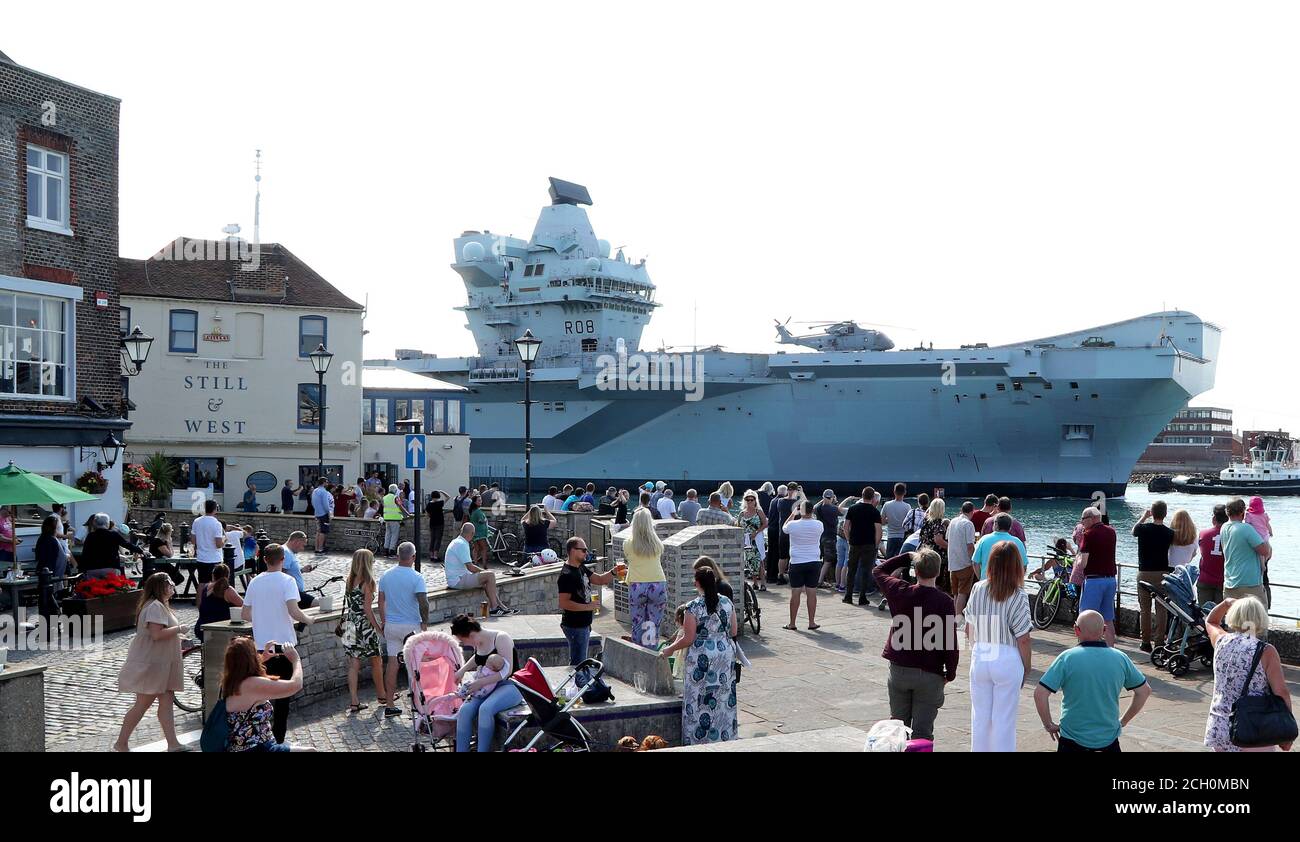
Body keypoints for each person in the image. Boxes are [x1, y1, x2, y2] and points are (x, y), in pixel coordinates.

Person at [1034, 610, 1151, 752]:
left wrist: (1048, 724)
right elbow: (1144, 691)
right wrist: (1123, 721)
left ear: (1076, 630)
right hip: (1108, 738)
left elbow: (1040, 694)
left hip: (1072, 738)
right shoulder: (1120, 658)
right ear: (1104, 630)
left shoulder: (1067, 658)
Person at [874, 548, 959, 742]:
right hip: (930, 672)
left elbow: (878, 571)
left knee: (898, 727)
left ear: (916, 571)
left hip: (900, 668)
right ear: (938, 572)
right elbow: (950, 643)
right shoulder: (945, 601)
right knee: (922, 732)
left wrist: (906, 556)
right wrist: (951, 673)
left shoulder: (899, 590)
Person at [241, 543, 315, 743]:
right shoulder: (287, 580)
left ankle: (256, 737)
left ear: (264, 560)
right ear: (283, 559)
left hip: (261, 648)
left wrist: (263, 617)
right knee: (282, 698)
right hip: (283, 647)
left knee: (259, 696)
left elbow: (245, 613)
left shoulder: (255, 581)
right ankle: (278, 741)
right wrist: (308, 619)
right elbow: (293, 610)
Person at [965, 541, 1033, 752]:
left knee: (980, 717)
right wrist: (1027, 666)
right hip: (1007, 656)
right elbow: (1023, 637)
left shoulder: (978, 588)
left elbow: (969, 627)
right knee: (1004, 721)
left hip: (981, 652)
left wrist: (976, 649)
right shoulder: (1018, 594)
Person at [1204, 596, 1294, 752]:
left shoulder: (1220, 641)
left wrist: (1226, 603)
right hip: (1254, 727)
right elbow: (1281, 692)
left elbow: (1211, 621)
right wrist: (1287, 732)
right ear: (1260, 619)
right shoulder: (1266, 651)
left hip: (1219, 725)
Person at [659, 567, 738, 745]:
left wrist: (670, 649)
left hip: (701, 656)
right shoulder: (726, 602)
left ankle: (698, 740)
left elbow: (688, 638)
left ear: (697, 583)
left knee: (698, 698)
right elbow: (733, 630)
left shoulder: (692, 607)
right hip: (725, 653)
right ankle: (724, 738)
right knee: (723, 697)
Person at [113, 573, 189, 752]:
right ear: (160, 587)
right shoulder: (155, 606)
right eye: (169, 583)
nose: (172, 586)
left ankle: (173, 744)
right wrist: (179, 628)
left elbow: (161, 632)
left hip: (161, 662)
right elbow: (156, 635)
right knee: (142, 704)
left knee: (165, 702)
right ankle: (121, 743)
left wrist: (178, 636)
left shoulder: (160, 606)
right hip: (154, 663)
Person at [220, 638, 314, 752]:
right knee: (311, 750)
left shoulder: (230, 681)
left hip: (239, 747)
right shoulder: (253, 684)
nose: (257, 654)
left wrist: (263, 657)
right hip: (258, 748)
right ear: (251, 658)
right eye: (255, 653)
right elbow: (296, 685)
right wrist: (296, 660)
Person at [450, 614, 524, 752]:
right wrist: (462, 670)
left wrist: (480, 682)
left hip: (510, 686)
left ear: (471, 634)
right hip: (487, 688)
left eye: (463, 640)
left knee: (485, 709)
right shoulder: (478, 642)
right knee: (464, 711)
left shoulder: (501, 638)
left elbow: (507, 671)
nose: (464, 644)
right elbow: (478, 657)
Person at [378, 542, 428, 716]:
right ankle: (420, 704)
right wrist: (425, 623)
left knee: (392, 664)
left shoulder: (385, 576)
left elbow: (380, 602)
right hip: (411, 626)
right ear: (413, 557)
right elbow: (424, 602)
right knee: (416, 665)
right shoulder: (417, 577)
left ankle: (389, 704)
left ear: (398, 556)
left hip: (391, 625)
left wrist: (384, 622)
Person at [557, 535, 622, 665]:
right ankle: (577, 685)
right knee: (578, 664)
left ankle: (579, 684)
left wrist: (614, 572)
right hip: (575, 625)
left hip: (583, 624)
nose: (586, 553)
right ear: (573, 550)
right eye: (584, 550)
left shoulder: (580, 567)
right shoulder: (567, 575)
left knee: (580, 661)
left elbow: (599, 580)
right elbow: (563, 603)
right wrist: (588, 607)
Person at [342, 549, 386, 713]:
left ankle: (354, 701)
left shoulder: (349, 579)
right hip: (364, 626)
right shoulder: (368, 581)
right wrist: (378, 628)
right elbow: (367, 609)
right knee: (376, 660)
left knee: (353, 663)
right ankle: (382, 695)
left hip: (349, 624)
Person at [1132, 501, 1175, 653]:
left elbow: (1134, 530)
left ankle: (1145, 642)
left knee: (1145, 609)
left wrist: (1144, 517)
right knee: (1161, 608)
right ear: (1165, 514)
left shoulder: (1143, 528)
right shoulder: (1169, 533)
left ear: (1152, 512)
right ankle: (1159, 642)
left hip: (1144, 572)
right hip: (1162, 573)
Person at [446, 522, 514, 615]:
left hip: (457, 578)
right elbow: (470, 567)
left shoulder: (456, 541)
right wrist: (484, 571)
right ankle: (494, 608)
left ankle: (502, 606)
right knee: (490, 575)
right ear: (472, 533)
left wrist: (483, 573)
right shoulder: (462, 544)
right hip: (458, 580)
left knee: (487, 580)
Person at [623, 508, 668, 648]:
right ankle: (651, 653)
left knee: (638, 623)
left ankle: (638, 653)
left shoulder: (628, 543)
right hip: (658, 583)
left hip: (637, 584)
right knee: (652, 624)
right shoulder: (657, 543)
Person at [1074, 506, 1118, 646]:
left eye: (1083, 519)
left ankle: (1084, 647)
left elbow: (1083, 564)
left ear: (1092, 518)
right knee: (1108, 619)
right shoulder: (1112, 532)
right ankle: (1111, 649)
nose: (1082, 523)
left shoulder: (1089, 534)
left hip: (1094, 580)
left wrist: (1078, 558)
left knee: (1085, 617)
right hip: (1110, 580)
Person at [782, 500, 824, 631]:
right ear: (812, 511)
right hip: (814, 561)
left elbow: (784, 528)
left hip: (797, 562)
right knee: (812, 593)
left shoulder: (793, 525)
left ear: (801, 510)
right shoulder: (819, 524)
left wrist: (793, 514)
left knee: (796, 593)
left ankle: (792, 623)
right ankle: (811, 622)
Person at [1221, 498, 1271, 603]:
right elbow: (1265, 551)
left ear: (1227, 512)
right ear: (1242, 512)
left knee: (1234, 618)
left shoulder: (1224, 527)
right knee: (1258, 618)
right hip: (1249, 584)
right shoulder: (1246, 529)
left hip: (1230, 582)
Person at [842, 486, 881, 606]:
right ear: (873, 497)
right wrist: (876, 545)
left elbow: (845, 526)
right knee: (866, 571)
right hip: (869, 544)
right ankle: (862, 597)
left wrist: (849, 539)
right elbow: (879, 531)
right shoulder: (875, 511)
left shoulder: (852, 508)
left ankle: (848, 596)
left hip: (854, 543)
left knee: (851, 570)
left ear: (862, 495)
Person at [80, 512, 145, 576]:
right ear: (107, 524)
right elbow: (126, 544)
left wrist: (82, 568)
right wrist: (141, 551)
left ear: (95, 523)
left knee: (93, 585)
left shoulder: (90, 536)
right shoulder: (113, 534)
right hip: (111, 568)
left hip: (93, 569)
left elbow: (85, 552)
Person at [946, 501, 979, 617]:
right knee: (963, 593)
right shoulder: (968, 524)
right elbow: (970, 545)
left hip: (952, 562)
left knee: (955, 593)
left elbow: (948, 539)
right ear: (972, 511)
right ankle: (958, 616)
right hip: (964, 563)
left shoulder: (952, 522)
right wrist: (973, 560)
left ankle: (954, 614)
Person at [194, 563, 242, 641]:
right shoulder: (228, 590)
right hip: (219, 629)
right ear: (228, 576)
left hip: (201, 627)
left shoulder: (206, 587)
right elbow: (243, 605)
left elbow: (200, 606)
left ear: (213, 575)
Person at [971, 513, 1027, 578]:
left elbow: (975, 563)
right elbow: (1024, 566)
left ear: (995, 525)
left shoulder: (984, 540)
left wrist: (981, 578)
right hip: (1010, 584)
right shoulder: (1017, 542)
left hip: (987, 583)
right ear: (1010, 527)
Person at [1196, 505, 1229, 605]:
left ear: (1214, 518)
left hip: (1205, 579)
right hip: (1223, 580)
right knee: (1221, 616)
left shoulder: (1203, 533)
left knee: (1204, 614)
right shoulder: (1231, 536)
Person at [737, 490, 769, 592]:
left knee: (760, 561)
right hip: (747, 540)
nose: (750, 501)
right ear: (745, 500)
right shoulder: (742, 513)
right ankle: (755, 582)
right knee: (750, 561)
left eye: (752, 499)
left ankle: (763, 583)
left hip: (757, 539)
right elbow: (738, 527)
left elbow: (765, 524)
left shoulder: (758, 511)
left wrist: (756, 532)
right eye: (747, 499)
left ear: (755, 500)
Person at [918, 498, 950, 592]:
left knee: (923, 580)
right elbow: (938, 540)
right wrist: (950, 546)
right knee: (935, 582)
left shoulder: (926, 520)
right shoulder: (938, 523)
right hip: (935, 555)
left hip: (924, 552)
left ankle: (921, 604)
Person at [191, 499, 225, 587]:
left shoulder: (196, 521)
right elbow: (218, 545)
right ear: (215, 509)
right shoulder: (217, 524)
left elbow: (193, 541)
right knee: (216, 585)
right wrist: (224, 539)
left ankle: (199, 601)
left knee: (202, 585)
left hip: (201, 558)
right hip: (214, 558)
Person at [281, 531, 318, 608]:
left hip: (295, 592)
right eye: (303, 545)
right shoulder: (286, 552)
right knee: (318, 604)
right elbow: (281, 573)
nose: (303, 549)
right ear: (297, 542)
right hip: (292, 593)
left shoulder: (289, 552)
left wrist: (302, 570)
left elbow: (288, 571)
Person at [814, 490, 841, 589]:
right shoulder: (833, 509)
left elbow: (813, 508)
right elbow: (841, 512)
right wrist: (835, 502)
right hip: (830, 536)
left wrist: (822, 500)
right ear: (832, 497)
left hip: (820, 536)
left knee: (820, 558)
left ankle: (817, 578)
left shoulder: (818, 508)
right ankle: (820, 581)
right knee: (828, 560)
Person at [881, 483, 911, 559]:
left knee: (889, 561)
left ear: (894, 492)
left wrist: (889, 520)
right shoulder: (907, 507)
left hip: (891, 536)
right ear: (905, 492)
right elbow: (908, 524)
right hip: (902, 536)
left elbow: (882, 522)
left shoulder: (887, 505)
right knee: (899, 561)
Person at [764, 484, 786, 584]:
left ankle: (769, 575)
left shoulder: (772, 500)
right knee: (778, 553)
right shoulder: (782, 502)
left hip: (770, 529)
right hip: (778, 530)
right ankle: (775, 575)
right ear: (785, 492)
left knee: (771, 552)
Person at [379, 483, 404, 558]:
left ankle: (386, 550)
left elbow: (383, 507)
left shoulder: (384, 497)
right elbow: (400, 506)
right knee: (394, 535)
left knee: (388, 534)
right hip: (395, 518)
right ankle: (391, 551)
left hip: (387, 518)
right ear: (395, 490)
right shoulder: (395, 497)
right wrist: (408, 514)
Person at [309, 477, 333, 555]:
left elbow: (312, 502)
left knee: (318, 531)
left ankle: (316, 548)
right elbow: (326, 505)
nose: (327, 483)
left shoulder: (315, 491)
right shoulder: (324, 492)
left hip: (317, 513)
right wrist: (329, 514)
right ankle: (320, 549)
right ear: (323, 483)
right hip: (323, 514)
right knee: (323, 532)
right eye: (326, 482)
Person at [425, 489, 449, 561]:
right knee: (438, 539)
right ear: (438, 496)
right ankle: (435, 556)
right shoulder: (440, 503)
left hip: (432, 522)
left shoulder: (429, 504)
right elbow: (448, 497)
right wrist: (442, 491)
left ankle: (431, 556)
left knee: (432, 538)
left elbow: (427, 514)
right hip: (440, 523)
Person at [468, 496, 490, 567]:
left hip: (474, 532)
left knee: (476, 548)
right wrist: (485, 520)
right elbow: (481, 520)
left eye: (481, 500)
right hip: (480, 532)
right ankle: (484, 564)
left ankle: (475, 563)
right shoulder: (478, 511)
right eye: (479, 500)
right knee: (484, 548)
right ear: (475, 502)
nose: (481, 501)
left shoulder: (473, 511)